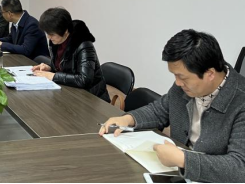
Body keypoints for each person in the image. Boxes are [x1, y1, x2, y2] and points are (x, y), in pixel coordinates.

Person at [100, 30, 245, 183]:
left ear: (210, 74)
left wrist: (183, 160)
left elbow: (240, 167)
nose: (177, 83)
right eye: (175, 75)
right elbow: (159, 110)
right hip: (174, 174)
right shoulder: (184, 86)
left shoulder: (240, 101)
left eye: (182, 77)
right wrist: (128, 119)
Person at [31, 8, 110, 102]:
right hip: (70, 92)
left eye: (51, 34)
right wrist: (49, 68)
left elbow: (84, 80)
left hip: (91, 98)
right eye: (47, 33)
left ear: (65, 31)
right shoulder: (56, 41)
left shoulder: (83, 44)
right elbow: (63, 65)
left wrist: (53, 76)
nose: (48, 37)